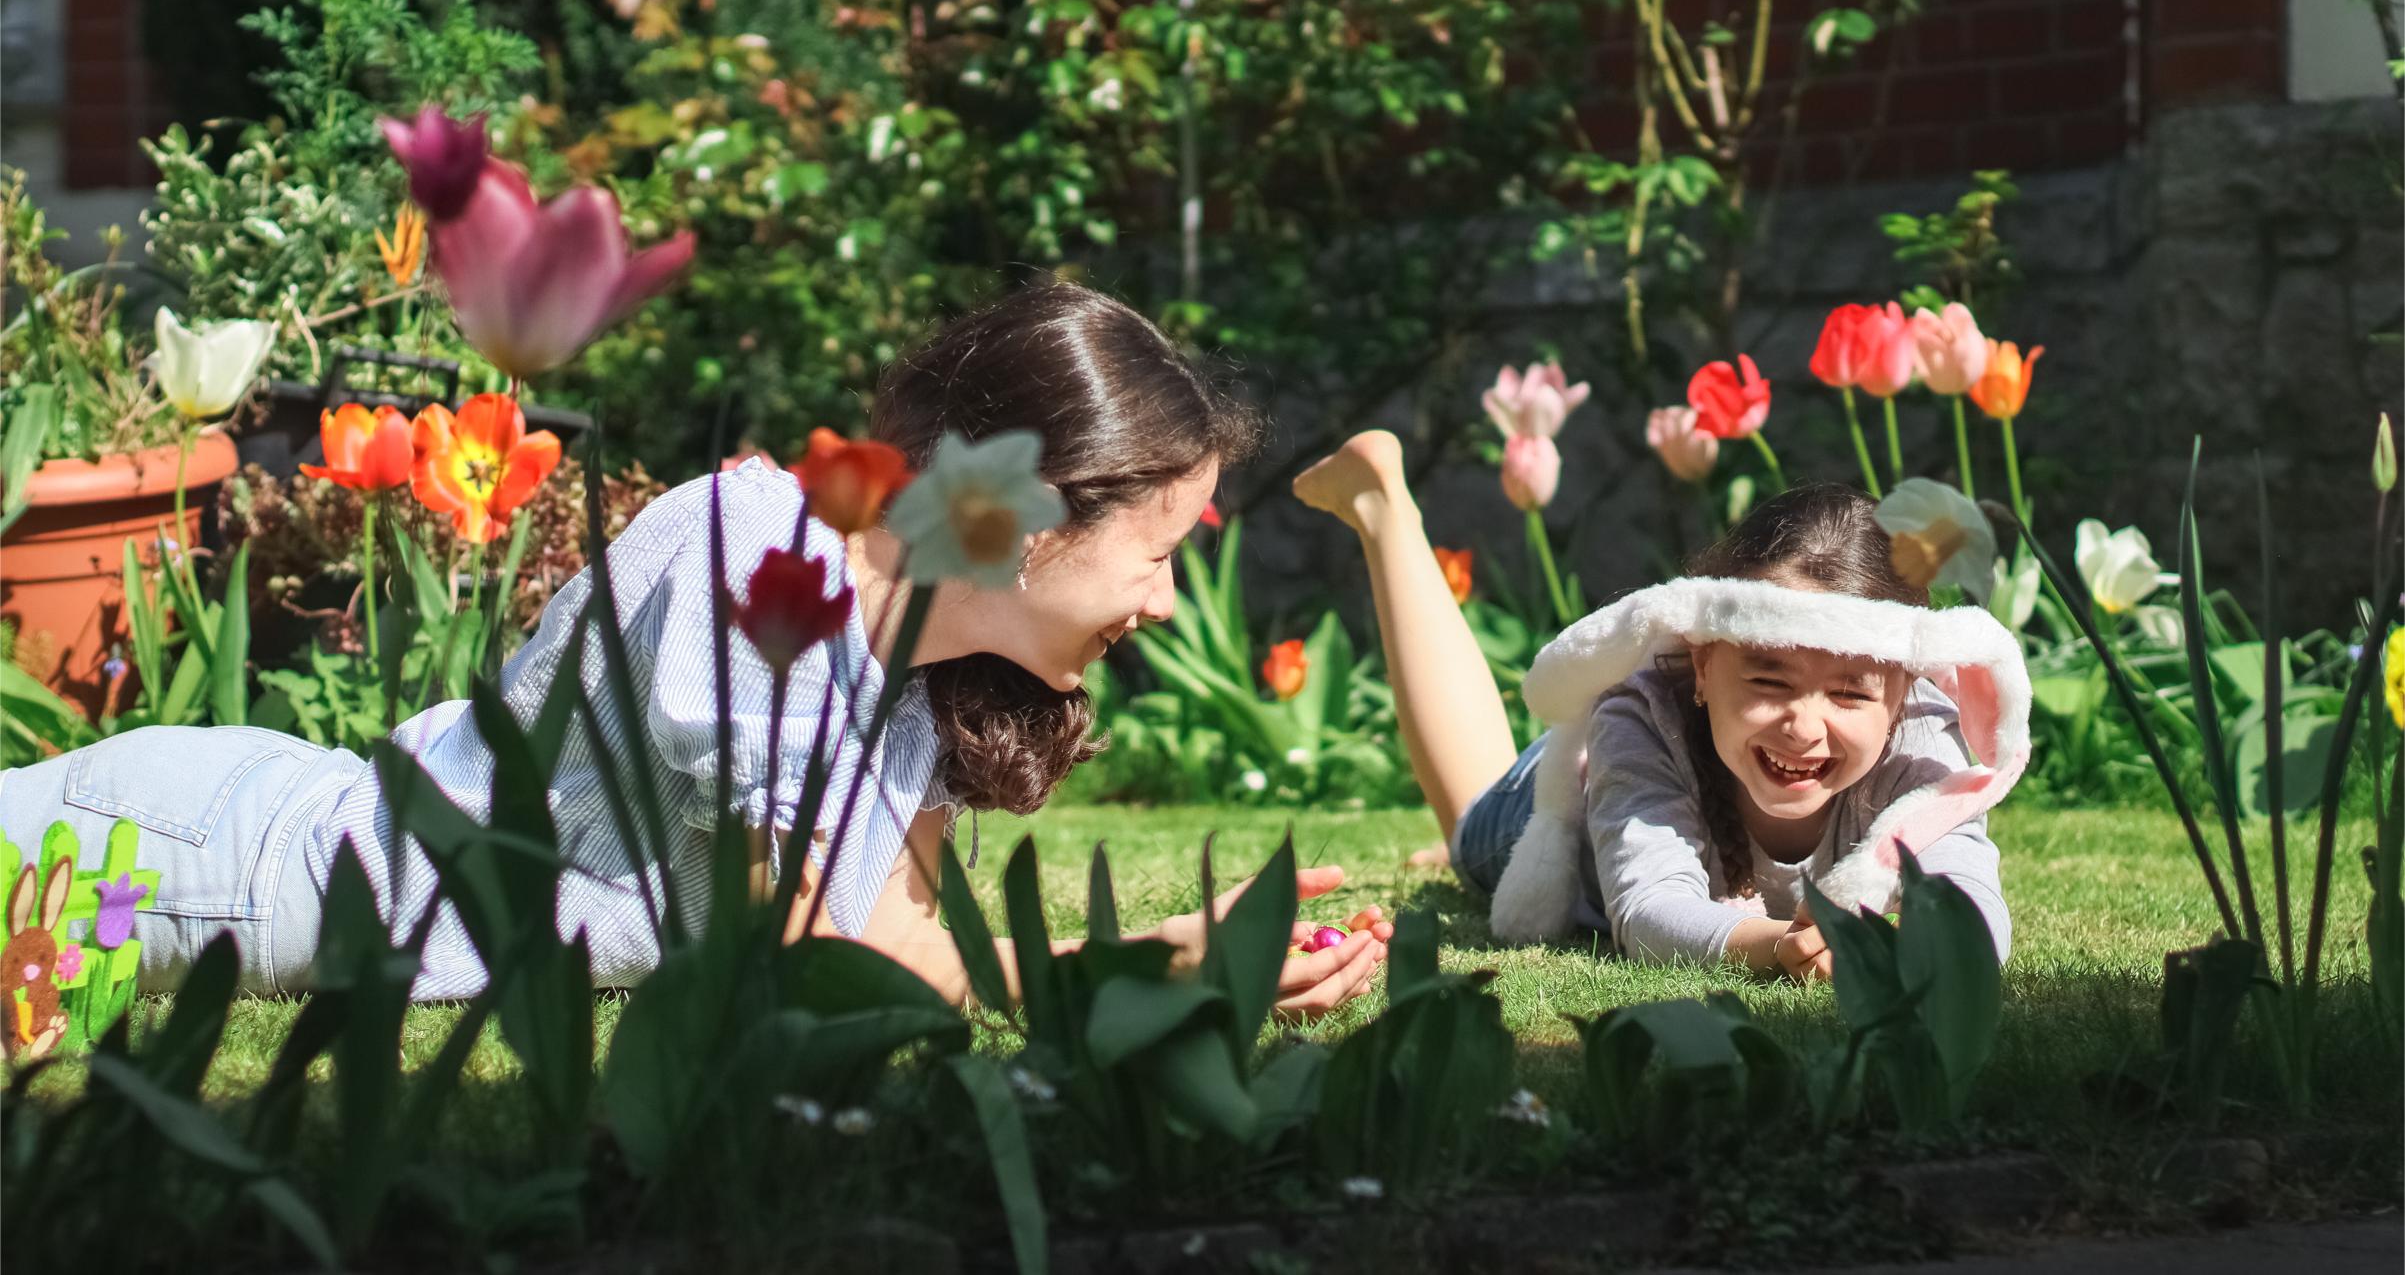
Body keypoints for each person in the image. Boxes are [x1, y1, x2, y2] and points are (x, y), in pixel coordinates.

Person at [0, 284, 1391, 1011]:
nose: (1158, 604)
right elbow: (790, 973)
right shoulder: (754, 560)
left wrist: (1165, 957)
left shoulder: (920, 680)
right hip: (220, 871)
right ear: (1033, 514)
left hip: (272, 819)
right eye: (1154, 553)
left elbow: (905, 962)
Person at [1291, 432, 2022, 980]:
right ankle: (1382, 506)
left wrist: (1928, 950)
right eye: (1767, 680)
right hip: (1571, 790)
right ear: (1703, 662)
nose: (1803, 725)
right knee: (1470, 827)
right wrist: (1785, 945)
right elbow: (1646, 913)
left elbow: (1970, 900)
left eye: (1847, 691)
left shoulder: (1926, 742)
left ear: (1902, 689)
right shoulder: (1642, 717)